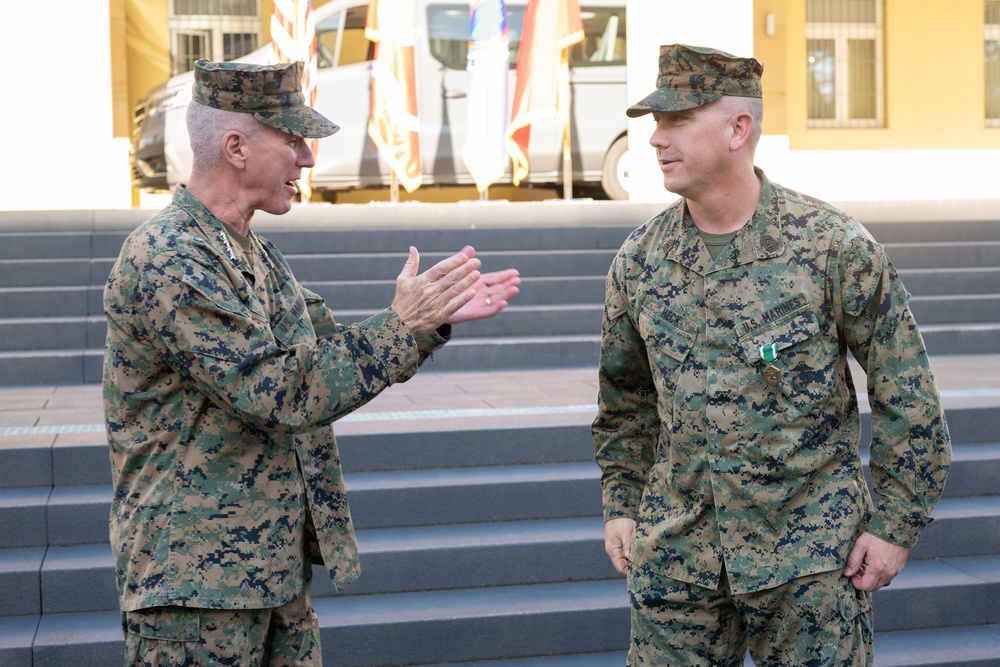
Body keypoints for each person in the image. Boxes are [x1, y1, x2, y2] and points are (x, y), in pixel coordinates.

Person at [103, 59, 520, 666]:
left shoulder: (252, 252)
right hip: (195, 589)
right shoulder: (168, 257)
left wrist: (425, 323)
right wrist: (402, 324)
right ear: (236, 147)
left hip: (269, 574)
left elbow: (327, 357)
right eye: (293, 139)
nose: (308, 158)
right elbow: (278, 390)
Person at [592, 44, 952, 666]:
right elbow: (625, 402)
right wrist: (622, 506)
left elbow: (908, 396)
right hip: (678, 564)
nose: (655, 139)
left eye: (677, 119)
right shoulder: (639, 262)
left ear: (739, 128)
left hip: (809, 561)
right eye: (656, 121)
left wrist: (895, 525)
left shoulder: (831, 247)